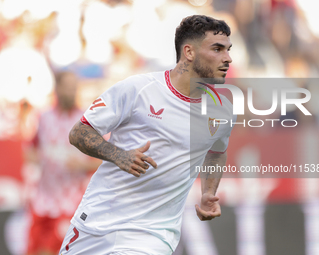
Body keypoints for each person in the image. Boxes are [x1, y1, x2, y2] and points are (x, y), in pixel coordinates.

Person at [59, 15, 234, 255]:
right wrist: (118, 155)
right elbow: (79, 132)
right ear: (189, 52)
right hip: (97, 224)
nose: (228, 58)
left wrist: (208, 193)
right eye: (217, 49)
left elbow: (216, 152)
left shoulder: (221, 111)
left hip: (151, 236)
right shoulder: (138, 89)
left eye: (228, 50)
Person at [26, 71, 101, 255]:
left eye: (74, 86)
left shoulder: (86, 121)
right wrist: (42, 159)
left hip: (72, 203)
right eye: (67, 86)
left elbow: (104, 160)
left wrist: (81, 165)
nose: (71, 90)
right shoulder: (43, 118)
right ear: (57, 88)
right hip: (43, 200)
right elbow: (29, 150)